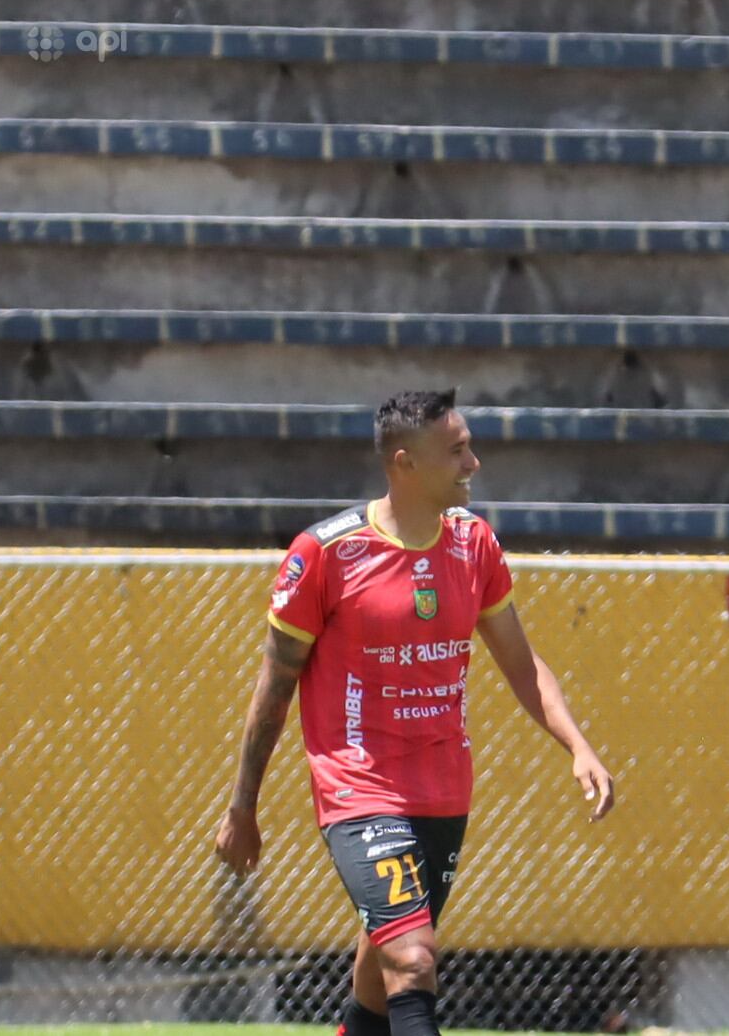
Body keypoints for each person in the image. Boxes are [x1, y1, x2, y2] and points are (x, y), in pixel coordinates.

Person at [212, 389, 614, 1036]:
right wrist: (243, 805)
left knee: (381, 976)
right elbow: (275, 685)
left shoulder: (473, 543)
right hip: (359, 786)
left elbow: (521, 663)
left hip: (443, 788)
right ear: (405, 464)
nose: (473, 463)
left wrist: (578, 745)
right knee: (413, 957)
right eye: (456, 451)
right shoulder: (326, 553)